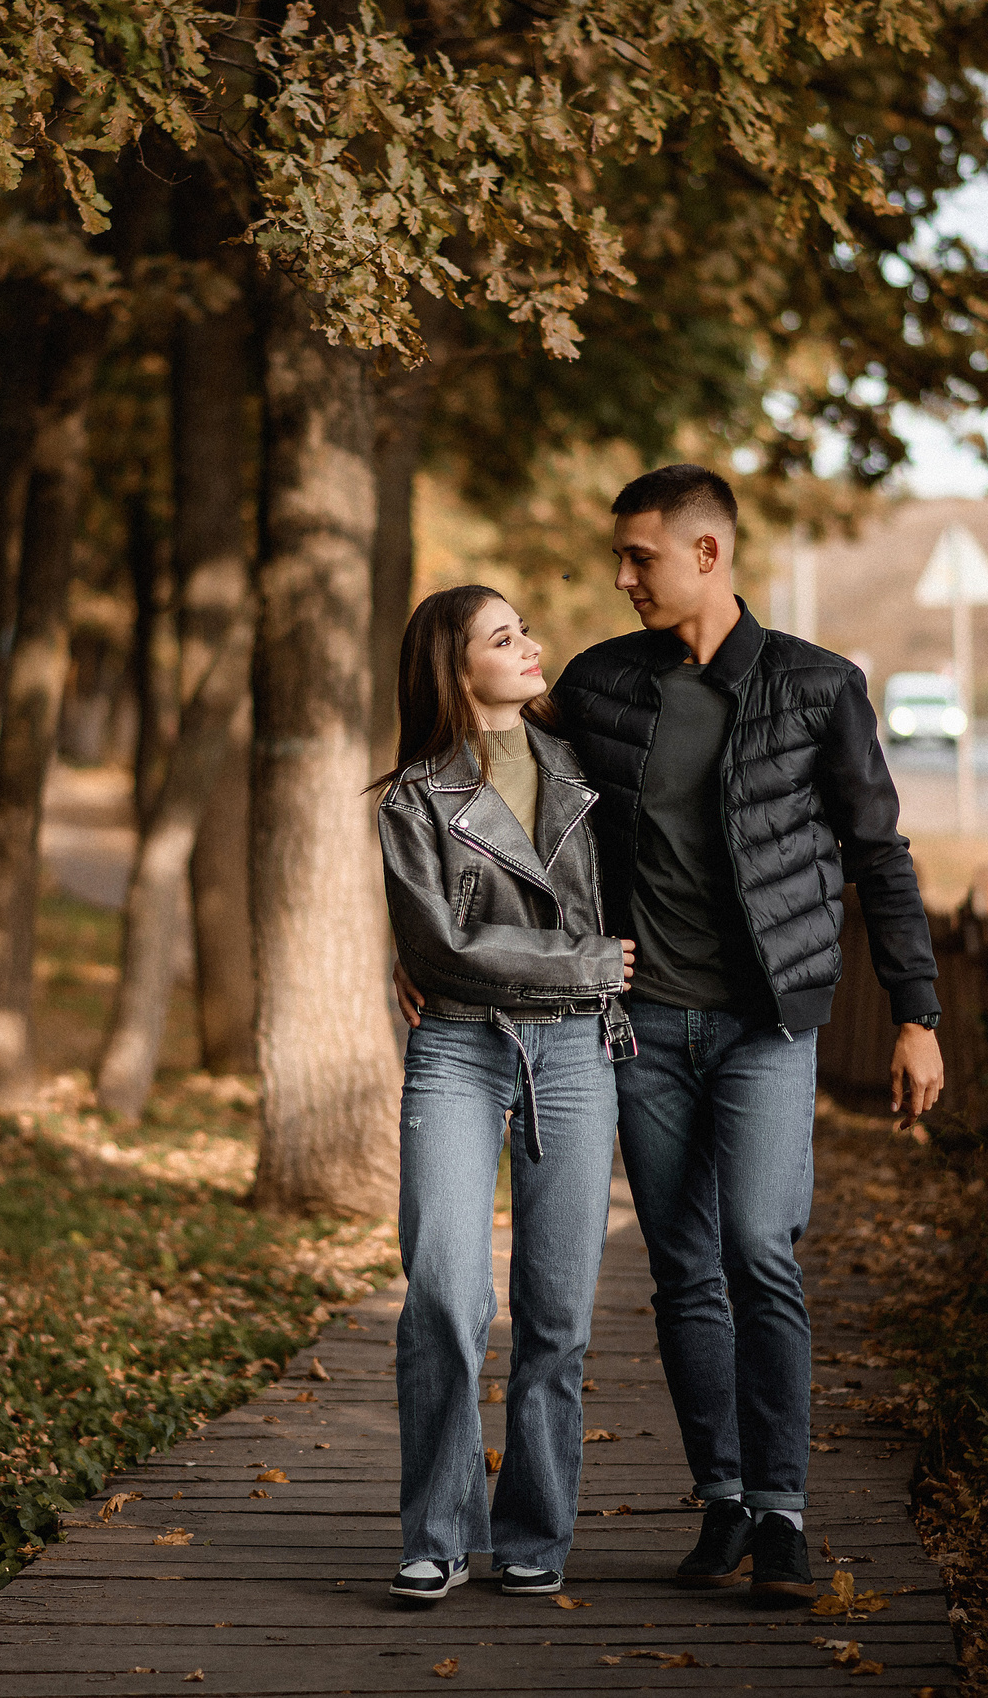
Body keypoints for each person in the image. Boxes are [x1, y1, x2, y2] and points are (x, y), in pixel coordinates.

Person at [532, 463, 943, 1602]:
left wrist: (918, 1015)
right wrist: (440, 956)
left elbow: (879, 858)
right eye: (619, 558)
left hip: (768, 1026)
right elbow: (519, 822)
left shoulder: (817, 688)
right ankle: (722, 1502)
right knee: (681, 1271)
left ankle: (786, 1512)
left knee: (759, 1249)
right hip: (644, 1027)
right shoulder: (601, 685)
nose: (620, 578)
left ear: (707, 556)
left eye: (640, 558)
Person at [372, 585, 638, 1607]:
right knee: (443, 1290)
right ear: (455, 667)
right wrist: (584, 965)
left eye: (524, 627)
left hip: (576, 1054)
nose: (530, 646)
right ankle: (435, 1533)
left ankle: (533, 1531)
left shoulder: (588, 772)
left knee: (557, 1310)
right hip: (457, 1049)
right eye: (502, 636)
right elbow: (440, 949)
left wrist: (576, 980)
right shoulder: (414, 799)